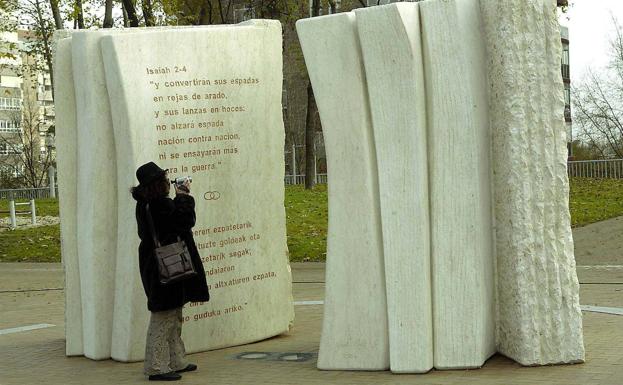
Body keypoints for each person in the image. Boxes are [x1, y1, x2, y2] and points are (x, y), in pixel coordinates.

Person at [131, 161, 210, 381]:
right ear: (157, 185)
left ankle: (177, 359)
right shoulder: (160, 205)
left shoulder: (145, 204)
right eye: (165, 180)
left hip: (157, 264)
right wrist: (183, 196)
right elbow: (184, 222)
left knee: (173, 314)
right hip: (166, 266)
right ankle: (155, 366)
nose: (169, 182)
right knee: (163, 316)